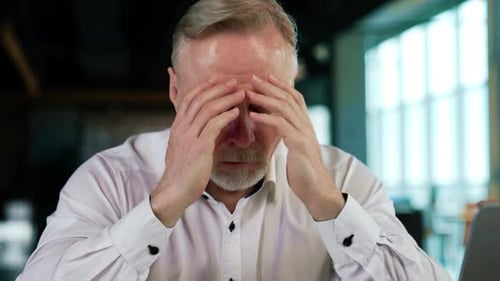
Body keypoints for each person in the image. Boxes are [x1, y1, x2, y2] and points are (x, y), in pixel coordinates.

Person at [17, 0, 451, 280]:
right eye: (216, 107)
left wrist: (327, 204)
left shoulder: (343, 179)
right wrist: (162, 205)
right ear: (175, 92)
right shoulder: (110, 180)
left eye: (262, 105)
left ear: (292, 95)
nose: (241, 135)